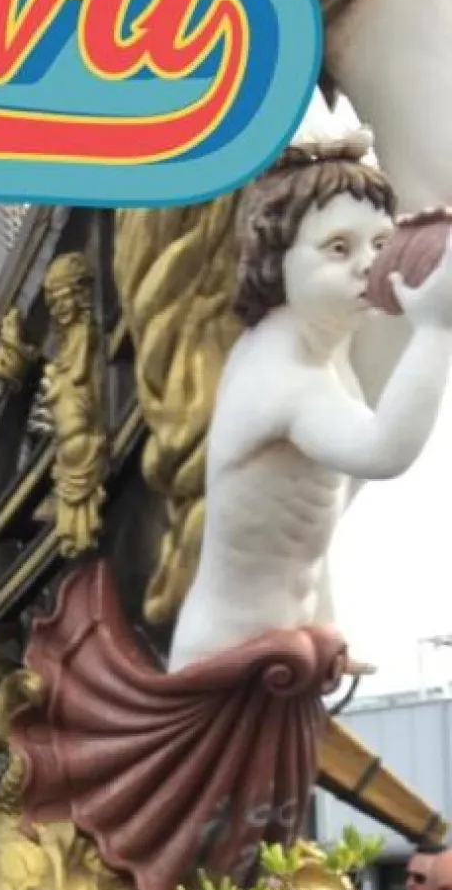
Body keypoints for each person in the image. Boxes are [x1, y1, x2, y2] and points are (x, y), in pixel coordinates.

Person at [168, 134, 452, 673]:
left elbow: (306, 533)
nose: (367, 265)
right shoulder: (281, 375)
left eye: (381, 244)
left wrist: (326, 627)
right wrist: (435, 328)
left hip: (284, 655)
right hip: (227, 662)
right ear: (275, 260)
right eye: (338, 249)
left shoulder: (325, 355)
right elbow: (384, 451)